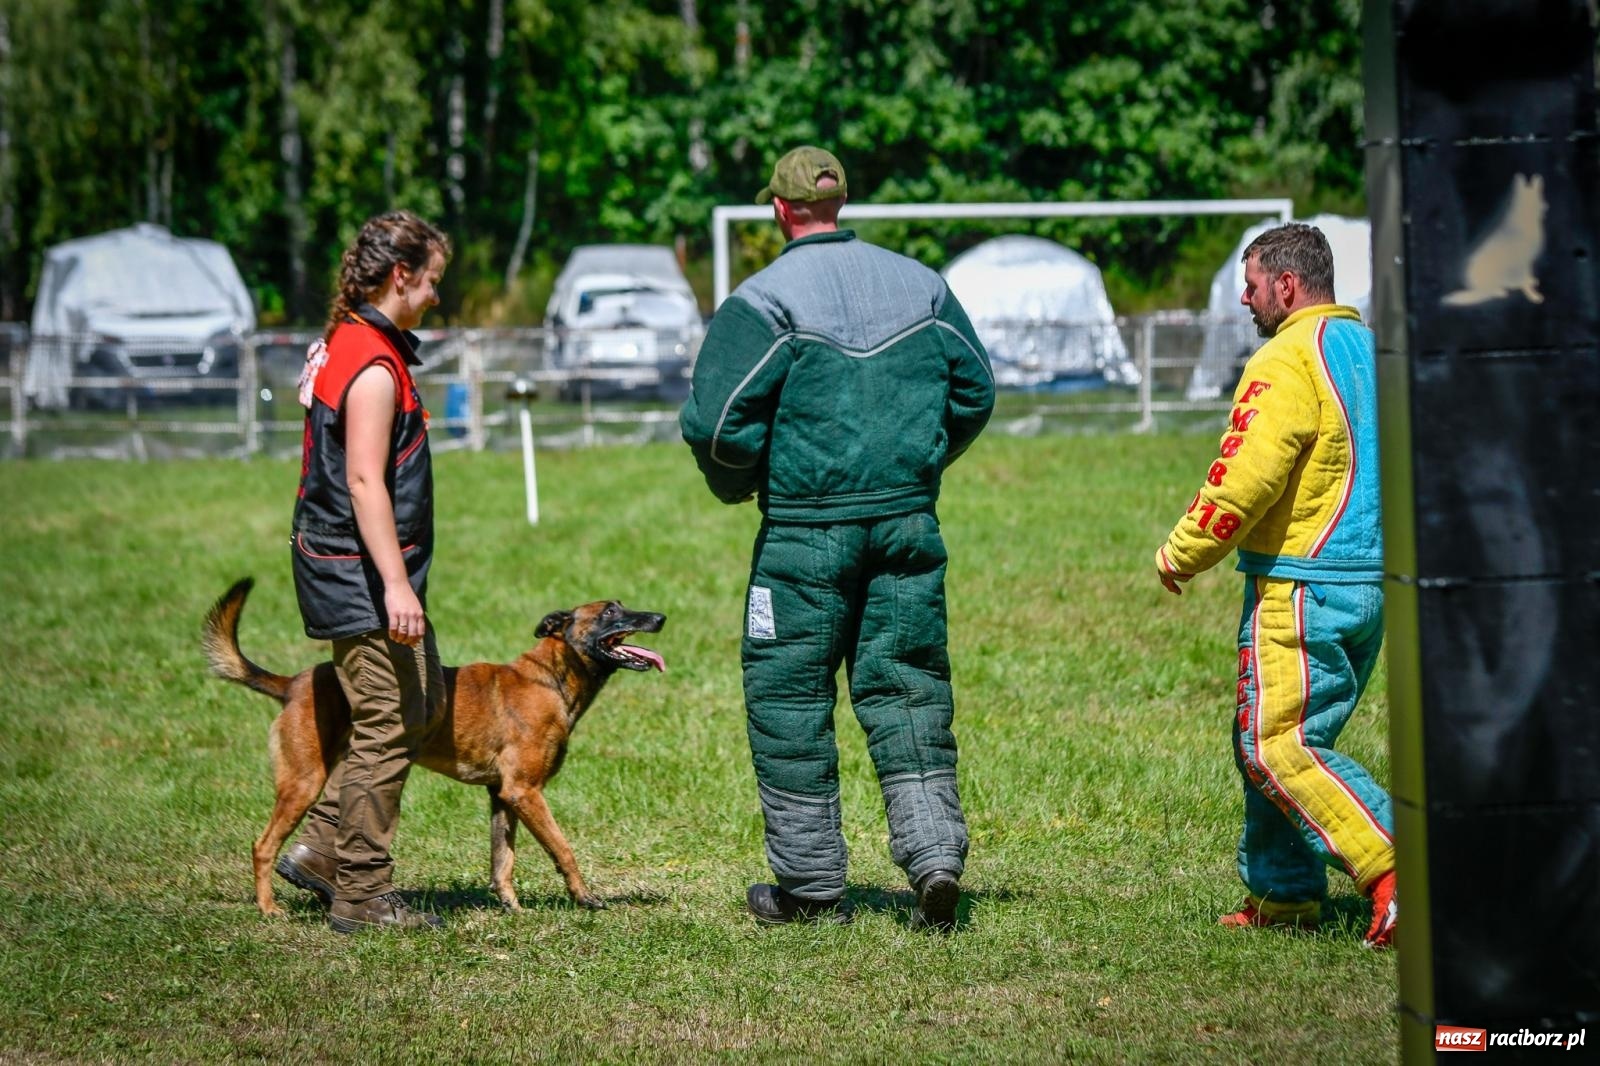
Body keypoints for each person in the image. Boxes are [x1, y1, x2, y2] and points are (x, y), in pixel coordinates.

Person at [679, 146, 995, 930]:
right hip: (907, 524)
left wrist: (746, 481)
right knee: (909, 688)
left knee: (789, 698)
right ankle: (935, 859)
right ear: (840, 202)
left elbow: (715, 427)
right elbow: (976, 391)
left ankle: (813, 889)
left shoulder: (763, 300)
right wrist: (918, 465)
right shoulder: (924, 286)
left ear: (779, 209)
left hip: (803, 535)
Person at [1154, 222, 1397, 948]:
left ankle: (1399, 869)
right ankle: (1283, 894)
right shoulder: (1373, 352)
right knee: (1283, 740)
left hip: (1301, 584)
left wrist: (1183, 551)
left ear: (1286, 286)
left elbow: (1246, 475)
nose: (1244, 298)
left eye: (1252, 284)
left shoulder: (1286, 357)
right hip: (1369, 581)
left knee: (1277, 745)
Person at [275, 210, 451, 933]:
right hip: (358, 573)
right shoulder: (373, 366)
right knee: (387, 718)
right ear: (400, 276)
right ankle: (362, 892)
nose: (436, 296)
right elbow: (362, 481)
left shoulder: (349, 339)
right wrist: (396, 584)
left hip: (353, 564)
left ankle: (323, 846)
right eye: (432, 281)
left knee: (423, 700)